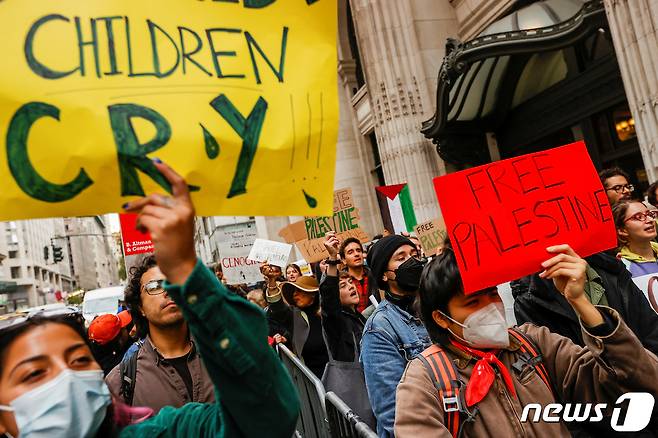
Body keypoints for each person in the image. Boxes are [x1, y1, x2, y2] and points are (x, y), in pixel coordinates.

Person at [0, 159, 299, 438]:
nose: (66, 379)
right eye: (35, 373)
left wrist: (185, 268)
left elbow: (268, 417)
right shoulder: (122, 379)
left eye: (79, 360)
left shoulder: (166, 428)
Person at [395, 246, 658, 436]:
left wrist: (582, 303)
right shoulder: (425, 380)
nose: (490, 307)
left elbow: (640, 384)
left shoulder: (535, 343)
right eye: (473, 302)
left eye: (492, 294)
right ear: (441, 318)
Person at [106, 255, 215, 413]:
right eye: (155, 286)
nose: (168, 291)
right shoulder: (121, 382)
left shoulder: (223, 355)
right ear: (140, 307)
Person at [360, 235, 431, 437]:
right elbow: (393, 413)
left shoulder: (435, 309)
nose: (412, 261)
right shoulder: (379, 329)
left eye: (414, 255)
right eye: (401, 257)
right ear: (384, 274)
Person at [265, 266, 329, 379]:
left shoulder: (327, 314)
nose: (295, 294)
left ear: (312, 294)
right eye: (294, 291)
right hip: (310, 381)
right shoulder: (293, 315)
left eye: (299, 291)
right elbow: (277, 308)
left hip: (336, 378)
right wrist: (271, 281)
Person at [322, 232, 367, 361]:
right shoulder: (336, 320)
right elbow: (329, 296)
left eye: (351, 282)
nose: (351, 286)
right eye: (343, 286)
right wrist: (332, 257)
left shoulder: (359, 317)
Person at [613, 200, 658, 277]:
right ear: (622, 230)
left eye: (649, 214)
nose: (650, 220)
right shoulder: (622, 267)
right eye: (639, 217)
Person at [339, 237, 379, 313]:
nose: (356, 254)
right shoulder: (340, 282)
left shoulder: (375, 275)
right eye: (350, 252)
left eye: (358, 250)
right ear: (344, 260)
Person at [88, 310, 134, 375]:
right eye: (124, 328)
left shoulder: (92, 360)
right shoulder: (129, 360)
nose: (128, 329)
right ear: (119, 340)